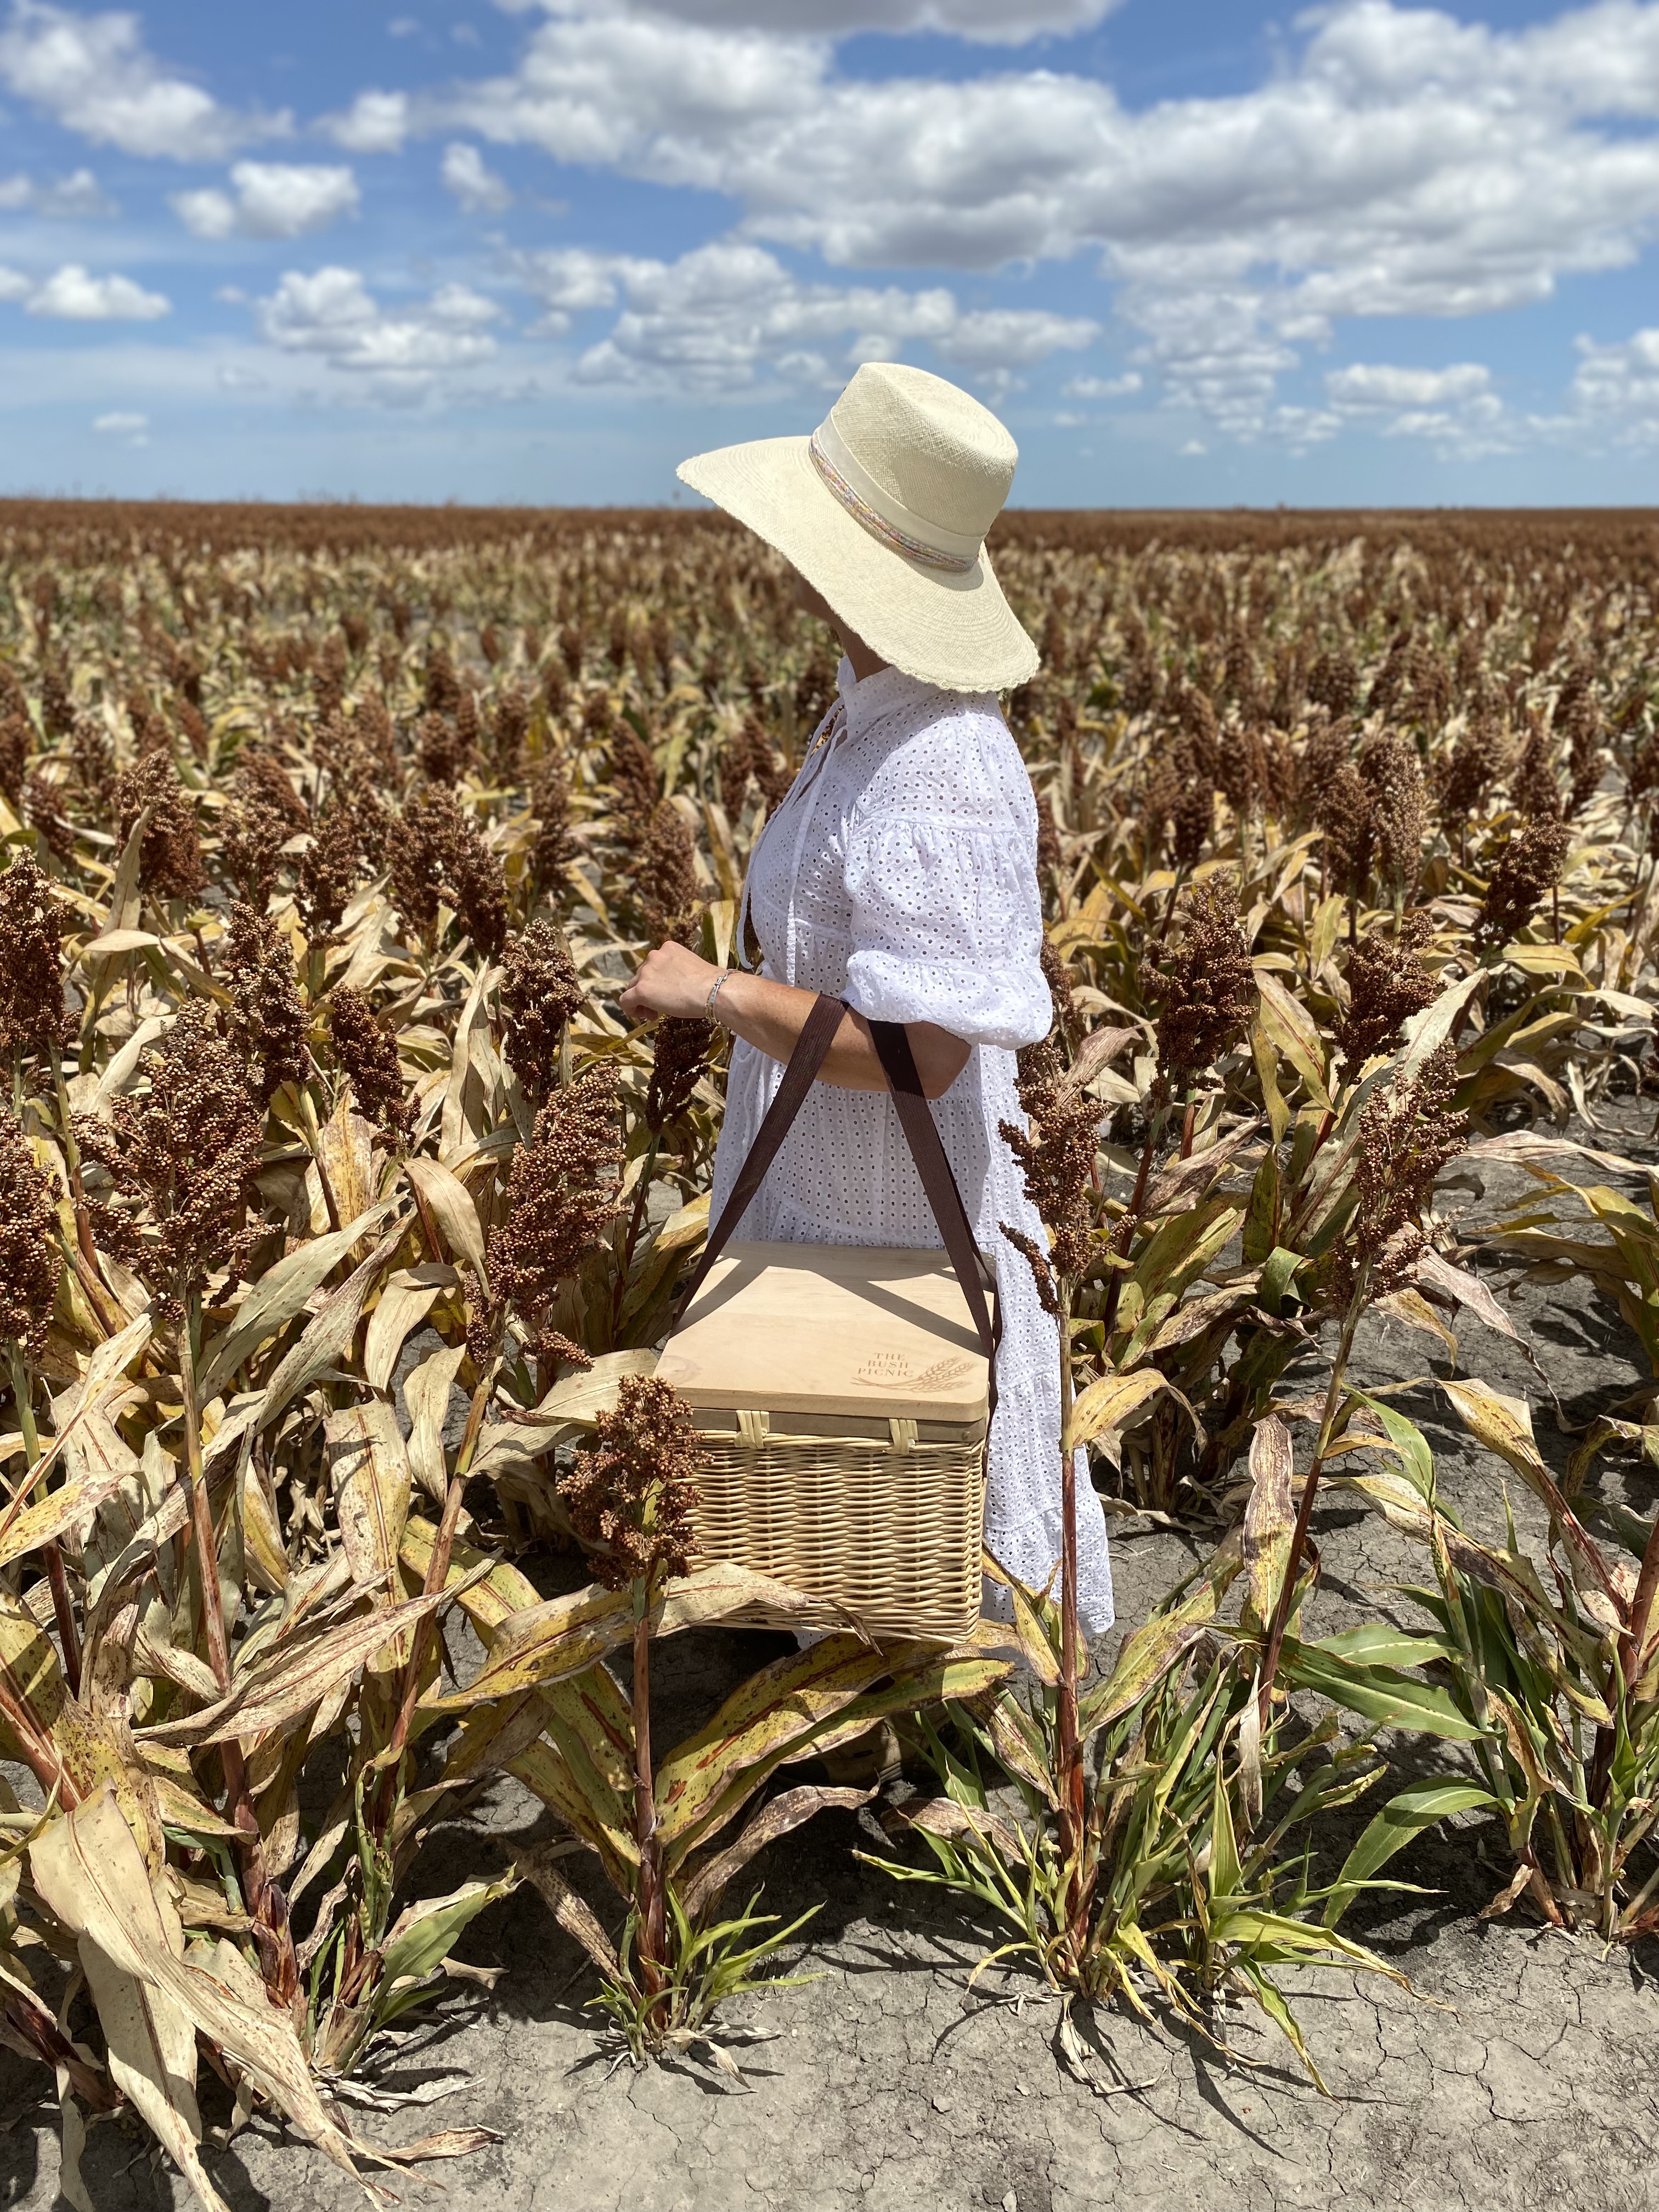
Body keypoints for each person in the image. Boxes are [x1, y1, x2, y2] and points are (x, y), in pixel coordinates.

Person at [619, 360, 1114, 1635]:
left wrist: (716, 992)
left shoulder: (941, 761)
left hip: (894, 1222)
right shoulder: (865, 718)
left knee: (906, 1534)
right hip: (831, 1194)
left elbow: (926, 1056)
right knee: (830, 1534)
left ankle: (912, 1743)